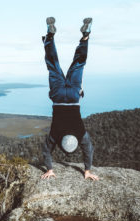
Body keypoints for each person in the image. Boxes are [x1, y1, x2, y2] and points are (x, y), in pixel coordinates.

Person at [41, 17, 99, 181]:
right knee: (53, 64)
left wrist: (87, 170)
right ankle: (50, 38)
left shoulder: (80, 133)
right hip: (58, 95)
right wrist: (50, 169)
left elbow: (88, 149)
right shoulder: (56, 134)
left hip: (73, 95)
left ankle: (85, 37)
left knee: (78, 64)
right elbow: (46, 150)